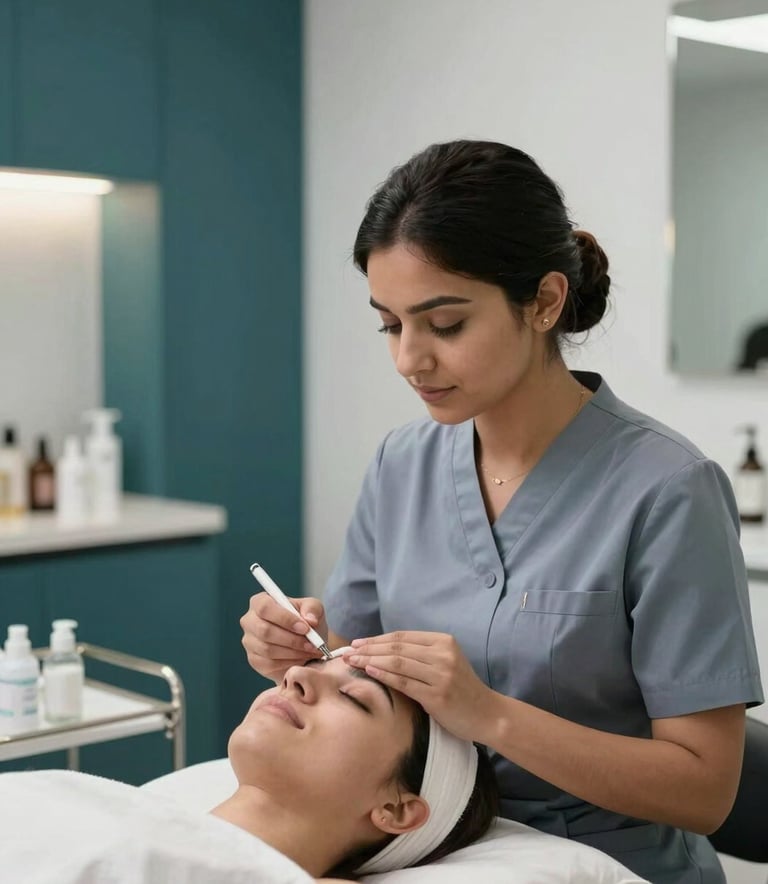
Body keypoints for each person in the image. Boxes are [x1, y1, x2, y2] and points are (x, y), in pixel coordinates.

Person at [241, 140, 764, 884]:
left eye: (444, 325)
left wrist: (488, 714)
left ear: (545, 303)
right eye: (390, 325)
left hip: (604, 864)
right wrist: (304, 648)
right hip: (434, 850)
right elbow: (355, 669)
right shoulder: (402, 464)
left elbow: (705, 790)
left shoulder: (668, 490)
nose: (408, 360)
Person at [0, 655, 498, 883]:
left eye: (353, 697)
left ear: (395, 808)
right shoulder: (119, 808)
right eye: (314, 666)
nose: (296, 675)